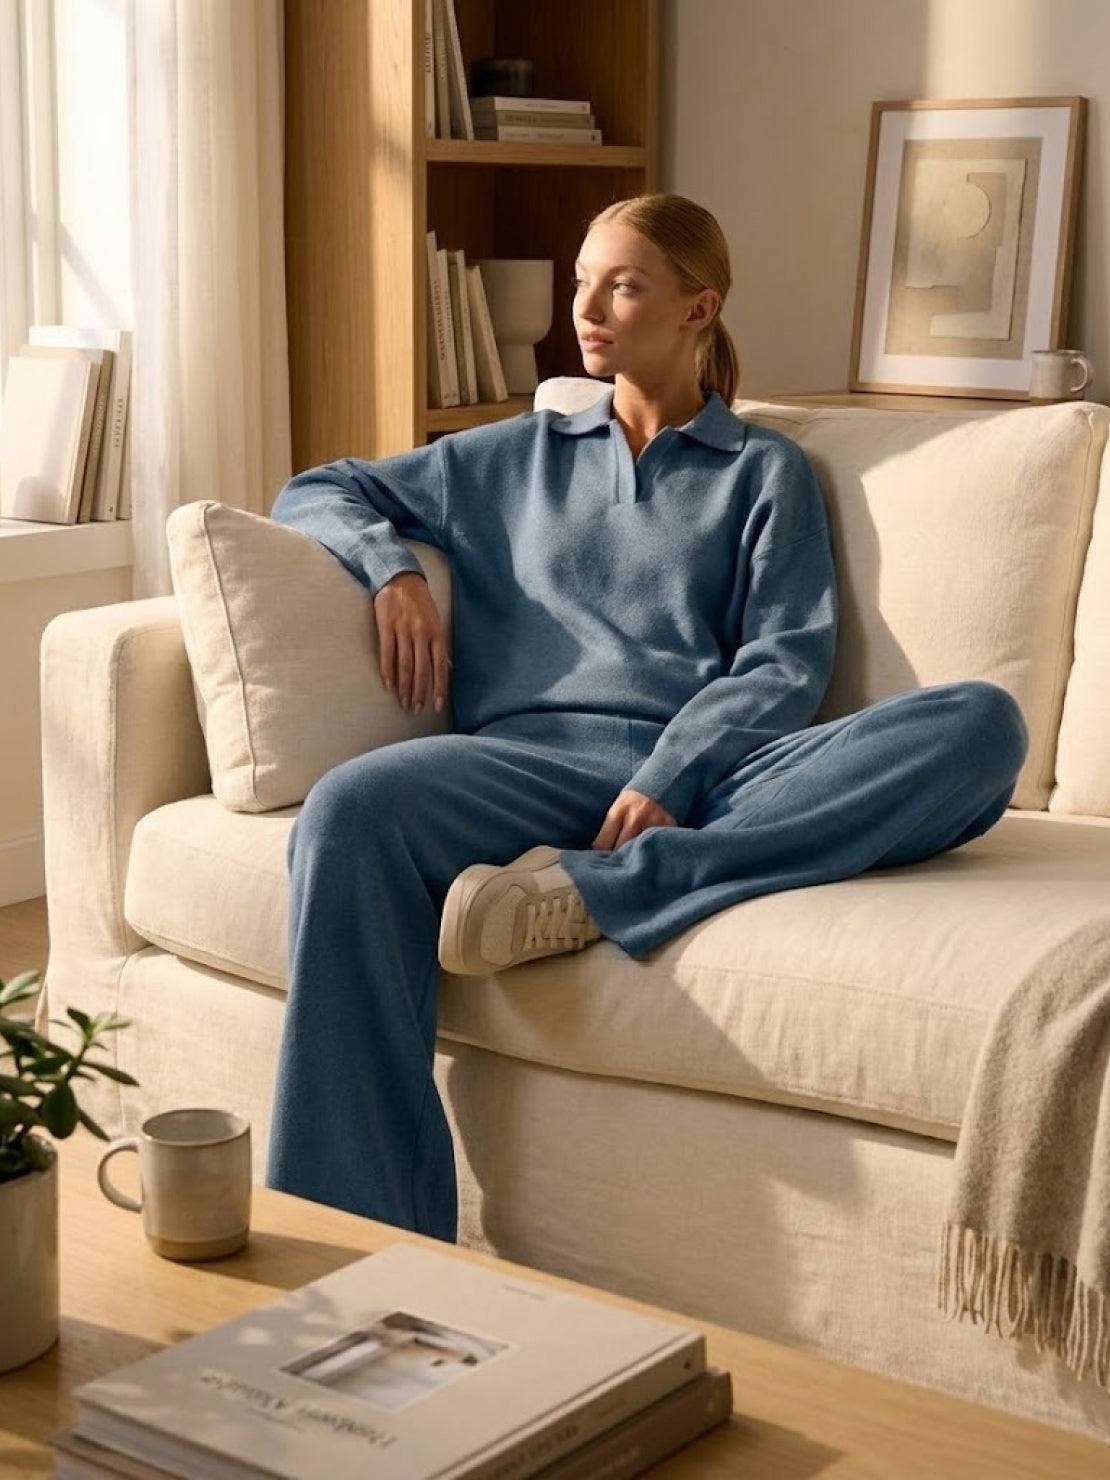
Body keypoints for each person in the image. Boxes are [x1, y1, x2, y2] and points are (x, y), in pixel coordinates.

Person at [264, 192, 1029, 1243]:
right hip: (528, 762)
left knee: (981, 726)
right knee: (348, 810)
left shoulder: (764, 473)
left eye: (623, 284)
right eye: (585, 281)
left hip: (704, 778)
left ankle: (606, 888)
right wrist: (391, 567)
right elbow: (315, 488)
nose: (589, 307)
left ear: (695, 308)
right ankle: (356, 1234)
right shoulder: (509, 458)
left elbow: (785, 661)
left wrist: (671, 772)